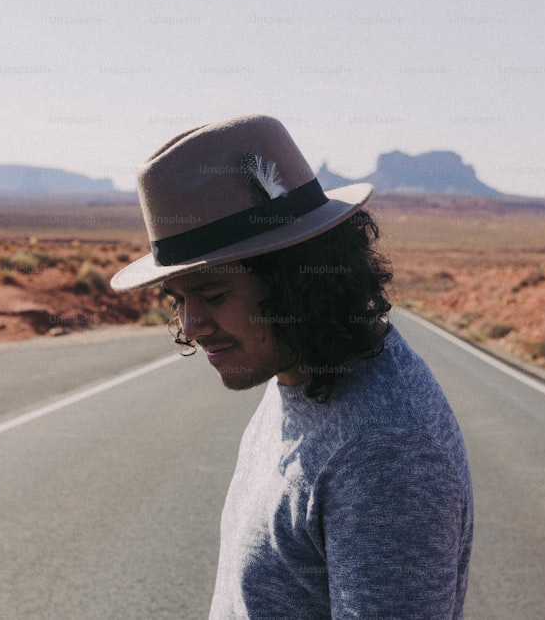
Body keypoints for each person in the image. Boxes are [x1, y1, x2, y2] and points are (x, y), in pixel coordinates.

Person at [111, 114, 473, 618]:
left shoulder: (384, 450)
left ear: (298, 282)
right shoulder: (300, 373)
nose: (190, 326)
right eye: (178, 298)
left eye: (213, 294)